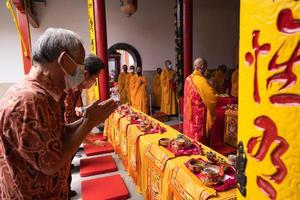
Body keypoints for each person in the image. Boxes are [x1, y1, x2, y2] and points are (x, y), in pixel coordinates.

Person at [0, 28, 118, 199]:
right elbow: (50, 163)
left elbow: (57, 135)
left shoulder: (47, 94)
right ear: (64, 61)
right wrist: (87, 124)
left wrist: (88, 119)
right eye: (79, 65)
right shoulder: (30, 100)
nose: (82, 72)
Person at [64, 54, 106, 198]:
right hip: (60, 144)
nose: (95, 82)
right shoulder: (68, 90)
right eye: (95, 78)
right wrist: (92, 140)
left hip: (67, 133)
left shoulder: (77, 89)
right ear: (86, 74)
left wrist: (87, 118)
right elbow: (67, 128)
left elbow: (74, 120)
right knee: (64, 165)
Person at [183, 57, 217, 143]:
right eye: (206, 68)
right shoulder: (201, 81)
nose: (206, 70)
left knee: (190, 133)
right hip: (198, 116)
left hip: (189, 114)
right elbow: (212, 99)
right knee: (198, 138)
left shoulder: (188, 78)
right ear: (202, 67)